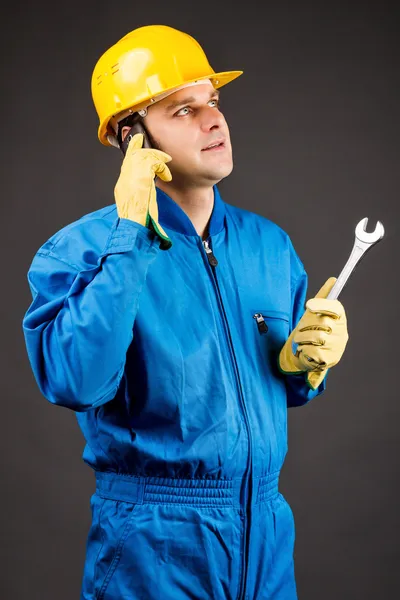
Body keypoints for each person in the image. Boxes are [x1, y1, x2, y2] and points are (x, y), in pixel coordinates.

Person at [22, 24, 349, 600]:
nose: (214, 120)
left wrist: (305, 367)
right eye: (183, 109)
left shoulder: (269, 246)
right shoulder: (82, 251)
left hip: (266, 537)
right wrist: (131, 236)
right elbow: (77, 381)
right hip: (155, 549)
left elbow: (282, 392)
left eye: (214, 102)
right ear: (133, 138)